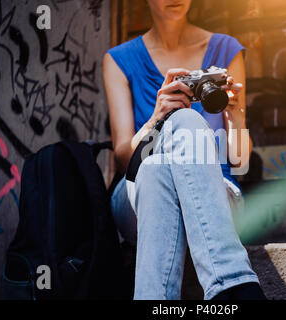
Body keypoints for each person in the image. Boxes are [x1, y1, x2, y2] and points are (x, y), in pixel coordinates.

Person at [103, 0, 266, 300]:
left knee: (156, 170)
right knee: (173, 135)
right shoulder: (118, 59)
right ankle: (234, 285)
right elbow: (123, 157)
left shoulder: (225, 49)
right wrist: (157, 117)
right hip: (134, 196)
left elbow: (240, 160)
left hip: (216, 191)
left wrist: (236, 114)